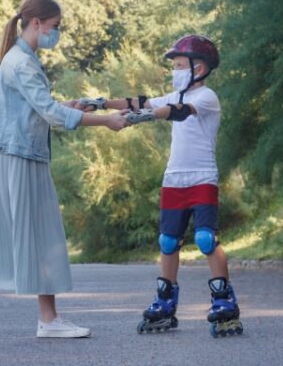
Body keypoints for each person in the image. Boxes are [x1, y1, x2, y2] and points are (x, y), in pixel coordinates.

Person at [0, 0, 129, 340]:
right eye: (55, 26)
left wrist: (70, 106)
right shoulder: (20, 62)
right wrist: (106, 121)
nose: (57, 33)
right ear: (36, 23)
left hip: (28, 156)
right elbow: (49, 114)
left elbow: (40, 107)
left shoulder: (26, 59)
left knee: (43, 233)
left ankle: (48, 320)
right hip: (7, 157)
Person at [80, 35, 243, 338]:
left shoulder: (206, 97)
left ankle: (224, 301)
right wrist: (98, 103)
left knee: (206, 239)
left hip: (202, 177)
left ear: (199, 69)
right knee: (168, 242)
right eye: (174, 66)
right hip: (174, 179)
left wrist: (145, 116)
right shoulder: (174, 94)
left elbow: (177, 111)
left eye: (180, 65)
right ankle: (165, 303)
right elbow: (138, 102)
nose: (175, 71)